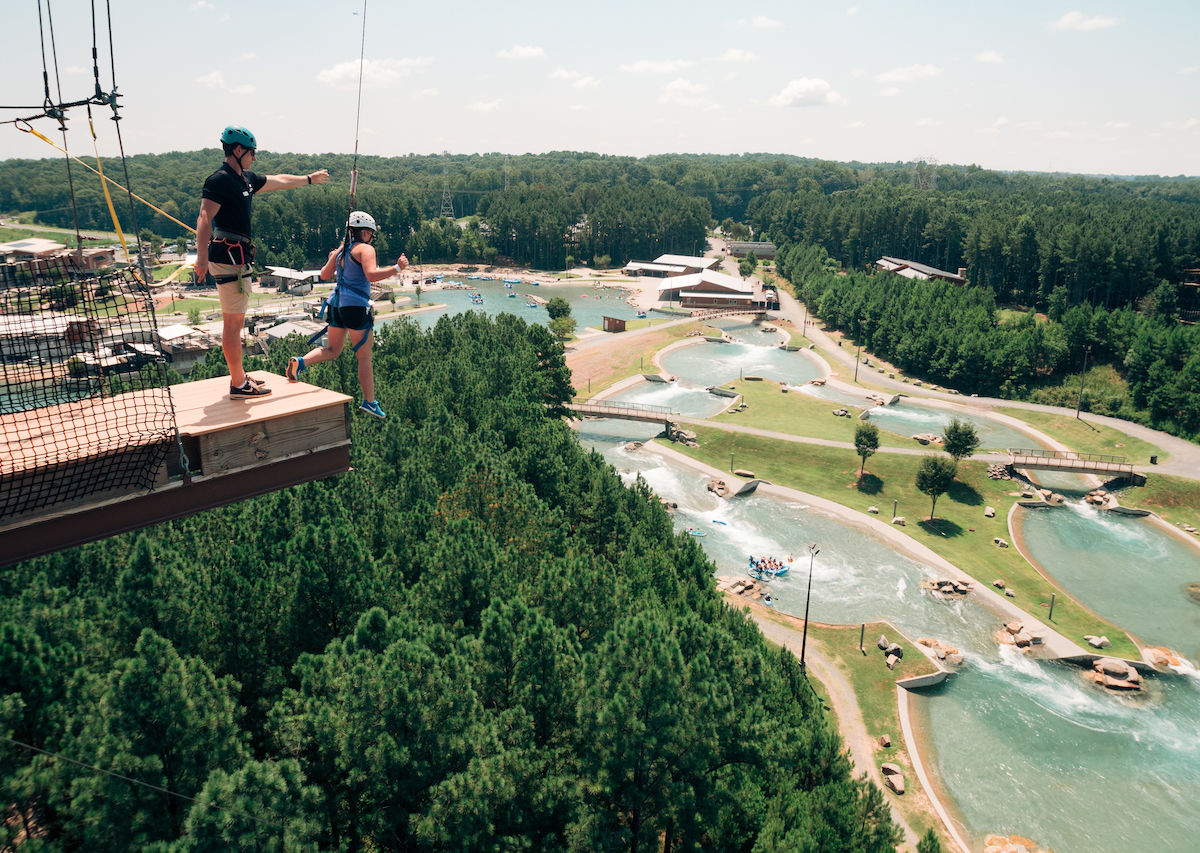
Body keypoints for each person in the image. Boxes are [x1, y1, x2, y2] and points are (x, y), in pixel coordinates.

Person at [194, 125, 329, 398]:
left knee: (236, 321)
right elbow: (204, 218)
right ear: (238, 150)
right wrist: (201, 257)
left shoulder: (244, 179)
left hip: (236, 256)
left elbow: (278, 180)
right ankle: (237, 383)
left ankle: (240, 377)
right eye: (252, 153)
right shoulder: (219, 180)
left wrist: (308, 179)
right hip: (228, 256)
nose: (255, 158)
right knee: (232, 324)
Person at [286, 211, 407, 419]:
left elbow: (323, 275)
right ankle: (369, 402)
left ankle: (301, 362)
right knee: (364, 356)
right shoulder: (365, 249)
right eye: (370, 233)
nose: (371, 237)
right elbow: (370, 275)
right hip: (356, 307)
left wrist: (333, 256)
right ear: (365, 232)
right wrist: (396, 268)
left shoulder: (342, 252)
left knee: (332, 349)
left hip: (336, 305)